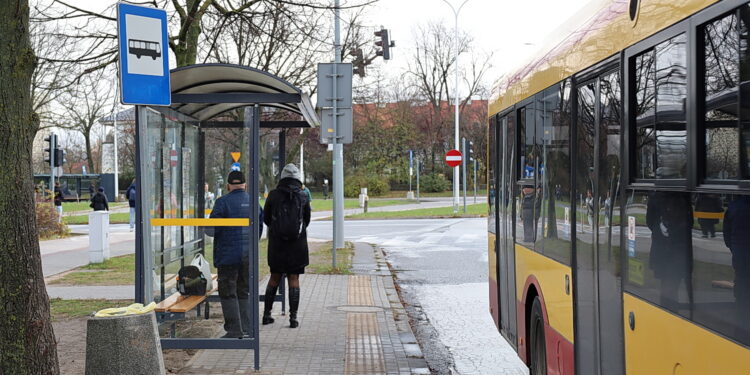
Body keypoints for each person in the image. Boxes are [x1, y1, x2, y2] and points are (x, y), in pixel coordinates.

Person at [206, 170, 263, 339]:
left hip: (227, 256)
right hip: (248, 256)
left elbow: (211, 230)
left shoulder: (222, 202)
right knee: (244, 290)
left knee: (228, 291)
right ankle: (247, 327)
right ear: (245, 185)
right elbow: (259, 227)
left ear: (228, 186)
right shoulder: (253, 202)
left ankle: (233, 329)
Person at [263, 163, 311, 328]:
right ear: (298, 178)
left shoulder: (273, 195)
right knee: (294, 278)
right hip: (297, 244)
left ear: (282, 177)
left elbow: (266, 218)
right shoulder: (303, 195)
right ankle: (293, 318)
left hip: (277, 244)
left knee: (274, 277)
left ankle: (266, 314)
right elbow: (307, 220)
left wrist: (277, 230)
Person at [723, 195, 750, 343]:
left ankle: (740, 335)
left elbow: (727, 236)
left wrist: (736, 249)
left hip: (740, 260)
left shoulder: (734, 207)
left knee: (741, 298)